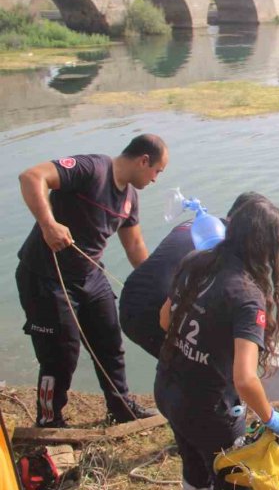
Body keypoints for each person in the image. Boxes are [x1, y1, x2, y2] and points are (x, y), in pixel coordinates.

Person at [155, 195, 279, 490]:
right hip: (209, 408)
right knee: (233, 481)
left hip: (170, 389)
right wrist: (270, 418)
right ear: (263, 246)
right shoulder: (247, 296)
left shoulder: (195, 260)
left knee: (195, 471)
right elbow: (245, 379)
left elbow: (163, 320)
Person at [15, 135, 168, 427]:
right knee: (60, 354)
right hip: (46, 276)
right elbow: (32, 176)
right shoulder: (91, 169)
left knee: (110, 341)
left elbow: (134, 246)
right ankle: (49, 419)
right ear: (143, 160)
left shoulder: (129, 198)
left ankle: (121, 408)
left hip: (90, 274)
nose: (155, 179)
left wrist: (156, 289)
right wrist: (48, 224)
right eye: (157, 171)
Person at [119, 192, 261, 358]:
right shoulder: (225, 246)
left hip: (128, 302)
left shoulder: (195, 222)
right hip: (154, 313)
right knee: (192, 367)